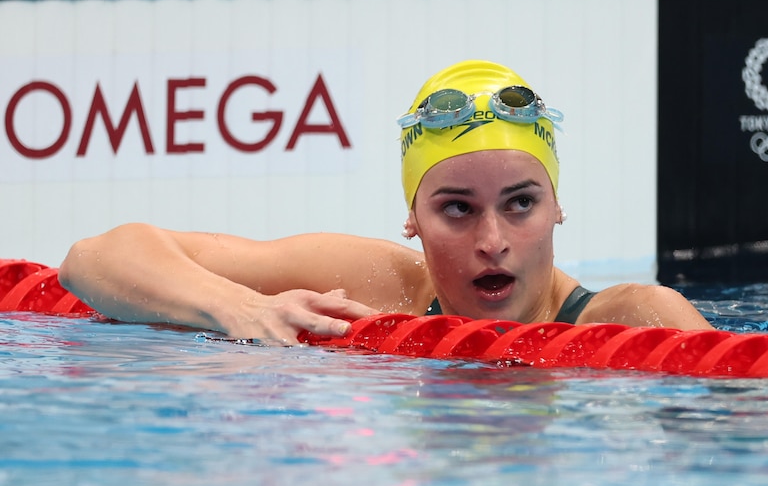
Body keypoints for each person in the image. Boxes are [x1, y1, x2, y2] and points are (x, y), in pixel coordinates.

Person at [58, 60, 713, 344]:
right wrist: (240, 307)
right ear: (412, 219)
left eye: (520, 203)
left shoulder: (637, 315)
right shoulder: (377, 286)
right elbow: (95, 258)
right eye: (457, 209)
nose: (493, 238)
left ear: (558, 205)